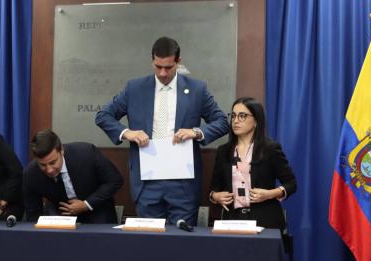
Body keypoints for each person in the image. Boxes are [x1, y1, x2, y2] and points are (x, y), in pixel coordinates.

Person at [95, 36, 229, 225]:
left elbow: (222, 121)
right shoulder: (134, 88)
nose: (163, 73)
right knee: (150, 245)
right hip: (147, 183)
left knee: (182, 245)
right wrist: (128, 133)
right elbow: (103, 116)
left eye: (168, 67)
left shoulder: (197, 89)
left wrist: (196, 132)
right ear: (152, 61)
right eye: (158, 67)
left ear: (178, 62)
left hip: (183, 185)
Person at [209, 97, 297, 230]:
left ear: (256, 121)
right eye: (233, 116)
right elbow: (214, 187)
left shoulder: (270, 149)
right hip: (232, 220)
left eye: (242, 116)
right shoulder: (223, 151)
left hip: (265, 220)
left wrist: (270, 194)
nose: (236, 120)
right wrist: (216, 196)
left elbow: (291, 184)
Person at [23, 129, 123, 223]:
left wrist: (86, 205)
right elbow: (33, 213)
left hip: (98, 213)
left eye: (53, 162)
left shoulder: (87, 153)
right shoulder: (31, 173)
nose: (49, 170)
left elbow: (115, 180)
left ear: (61, 151)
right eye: (43, 165)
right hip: (60, 220)